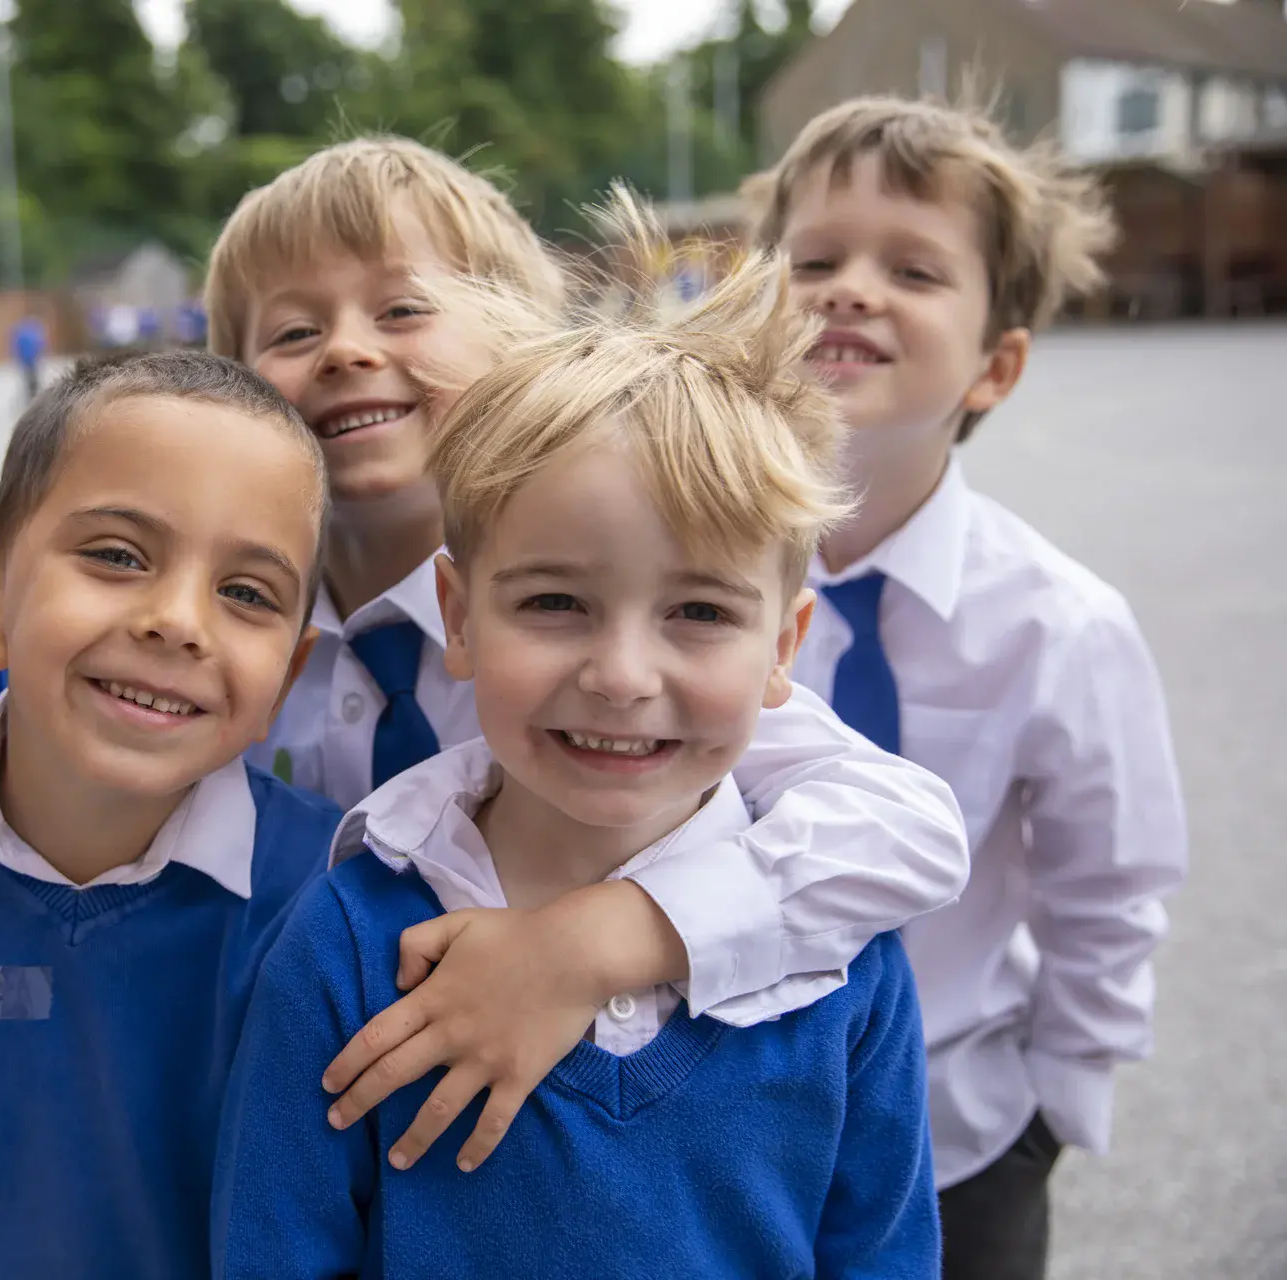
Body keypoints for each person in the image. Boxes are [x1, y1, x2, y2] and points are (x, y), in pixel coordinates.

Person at [213, 197, 937, 1278]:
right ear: (456, 615)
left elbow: (880, 1251)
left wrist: (593, 943)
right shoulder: (346, 946)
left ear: (785, 642)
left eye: (698, 612)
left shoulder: (842, 955)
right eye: (555, 604)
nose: (621, 675)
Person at [743, 95, 1188, 1279]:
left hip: (959, 1136)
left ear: (996, 365)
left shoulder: (1059, 623)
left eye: (914, 268)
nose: (850, 289)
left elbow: (1111, 880)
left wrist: (1055, 1108)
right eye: (816, 259)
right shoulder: (674, 580)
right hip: (725, 1125)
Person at [0, 350, 341, 1279]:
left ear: (285, 677)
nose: (178, 620)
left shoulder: (327, 902)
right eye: (117, 555)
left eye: (246, 593)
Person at [11, 312, 46, 404]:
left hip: (28, 361)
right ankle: (34, 398)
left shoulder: (23, 334)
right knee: (32, 380)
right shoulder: (32, 334)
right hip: (30, 361)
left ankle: (33, 397)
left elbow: (16, 347)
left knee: (30, 380)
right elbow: (40, 345)